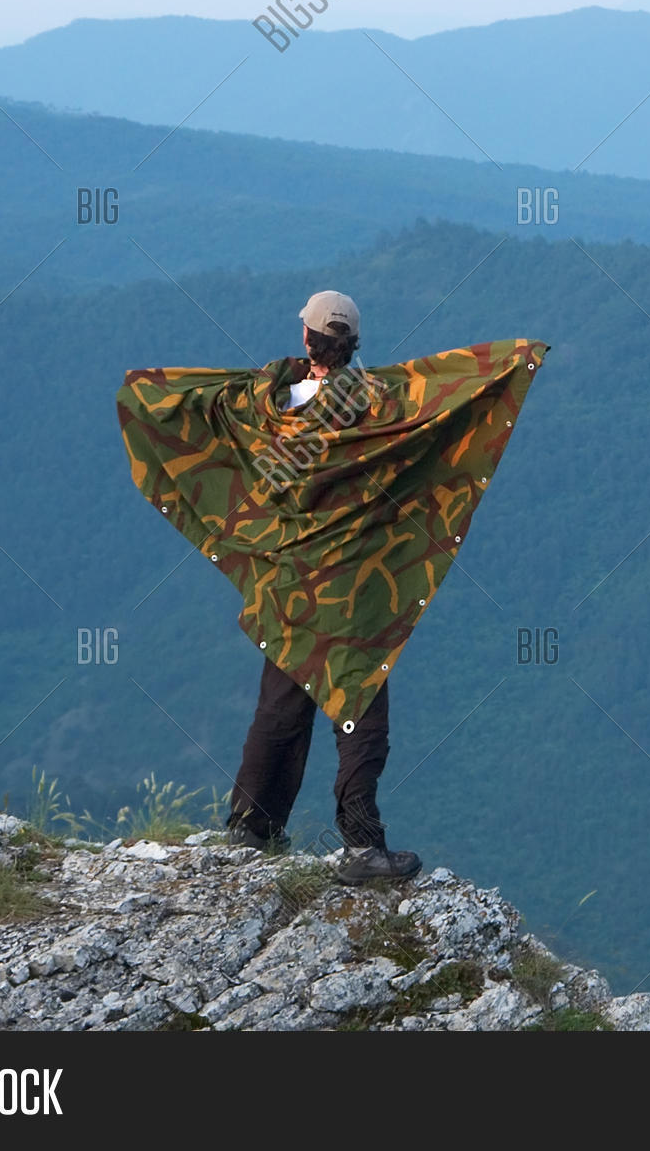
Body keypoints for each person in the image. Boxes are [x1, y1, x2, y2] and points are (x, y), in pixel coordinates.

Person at [224, 290, 421, 882]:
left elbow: (222, 432)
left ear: (306, 340)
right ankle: (362, 848)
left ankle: (250, 831)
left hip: (289, 584)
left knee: (278, 709)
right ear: (352, 344)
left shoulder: (266, 403)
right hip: (354, 589)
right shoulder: (380, 406)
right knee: (358, 707)